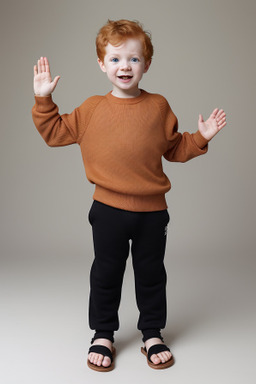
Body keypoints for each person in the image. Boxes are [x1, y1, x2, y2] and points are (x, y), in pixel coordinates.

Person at [31, 19, 226, 372]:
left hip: (153, 212)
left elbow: (175, 148)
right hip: (107, 210)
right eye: (117, 60)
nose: (125, 67)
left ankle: (152, 333)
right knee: (106, 272)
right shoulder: (91, 109)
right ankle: (103, 334)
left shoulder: (158, 106)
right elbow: (55, 132)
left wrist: (200, 138)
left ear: (146, 65)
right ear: (102, 64)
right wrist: (44, 99)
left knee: (151, 273)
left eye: (134, 60)